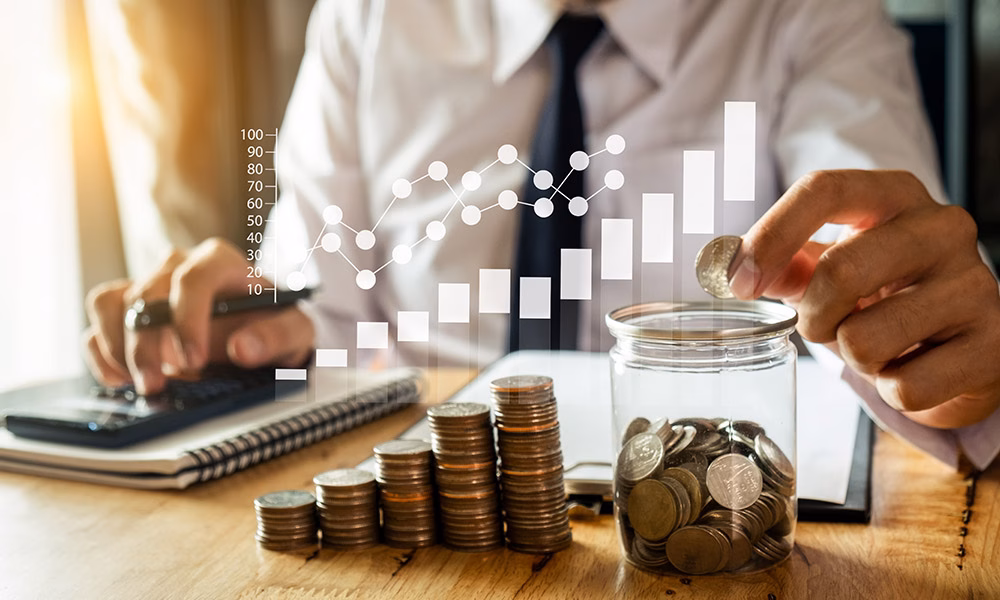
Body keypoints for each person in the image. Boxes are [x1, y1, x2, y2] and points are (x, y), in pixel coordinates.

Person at [82, 0, 1000, 469]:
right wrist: (248, 336)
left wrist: (945, 363)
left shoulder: (812, 15)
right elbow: (323, 311)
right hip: (422, 515)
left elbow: (889, 269)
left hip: (698, 510)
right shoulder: (366, 17)